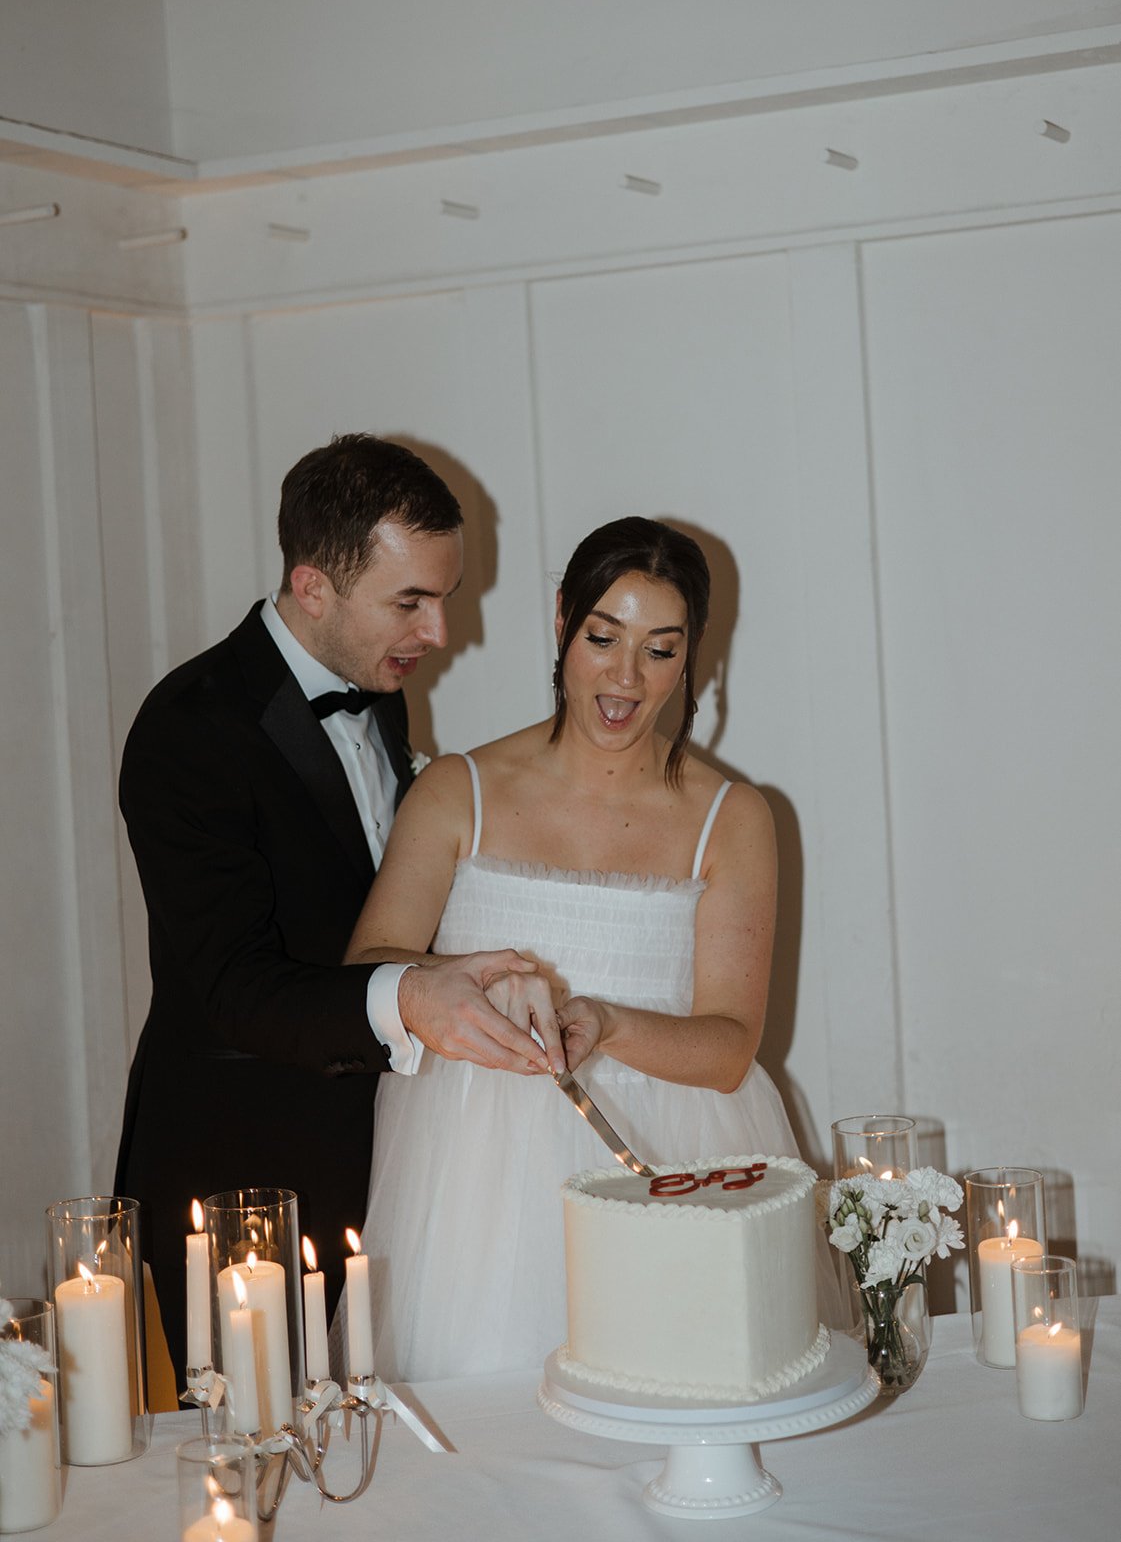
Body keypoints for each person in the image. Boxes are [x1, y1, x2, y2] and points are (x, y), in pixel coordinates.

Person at [344, 515, 833, 1382]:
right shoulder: (458, 791)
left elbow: (728, 1051)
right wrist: (470, 984)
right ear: (563, 619)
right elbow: (366, 966)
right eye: (603, 637)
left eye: (659, 649)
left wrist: (601, 1022)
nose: (624, 677)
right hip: (471, 1172)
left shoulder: (734, 818)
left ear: (692, 660)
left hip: (674, 1159)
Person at [113, 433, 553, 1392]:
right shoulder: (187, 729)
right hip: (241, 1178)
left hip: (378, 1156)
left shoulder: (381, 698)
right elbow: (230, 981)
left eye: (444, 596)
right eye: (412, 602)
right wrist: (413, 1000)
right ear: (313, 588)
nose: (440, 633)